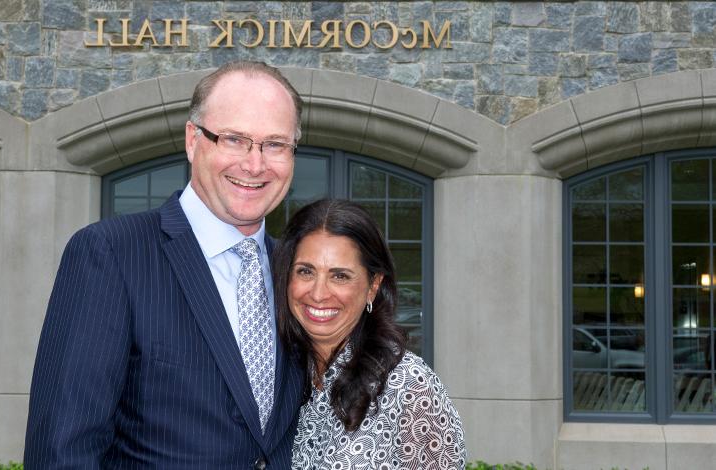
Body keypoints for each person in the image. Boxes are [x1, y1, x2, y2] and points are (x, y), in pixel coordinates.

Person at [24, 61, 304, 469]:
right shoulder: (110, 255)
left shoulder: (296, 275)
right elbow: (62, 449)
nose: (255, 164)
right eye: (234, 139)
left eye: (275, 144)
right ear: (193, 140)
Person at [273, 199, 466, 470]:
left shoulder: (408, 386)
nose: (317, 293)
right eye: (306, 271)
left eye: (340, 276)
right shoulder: (280, 375)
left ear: (373, 286)